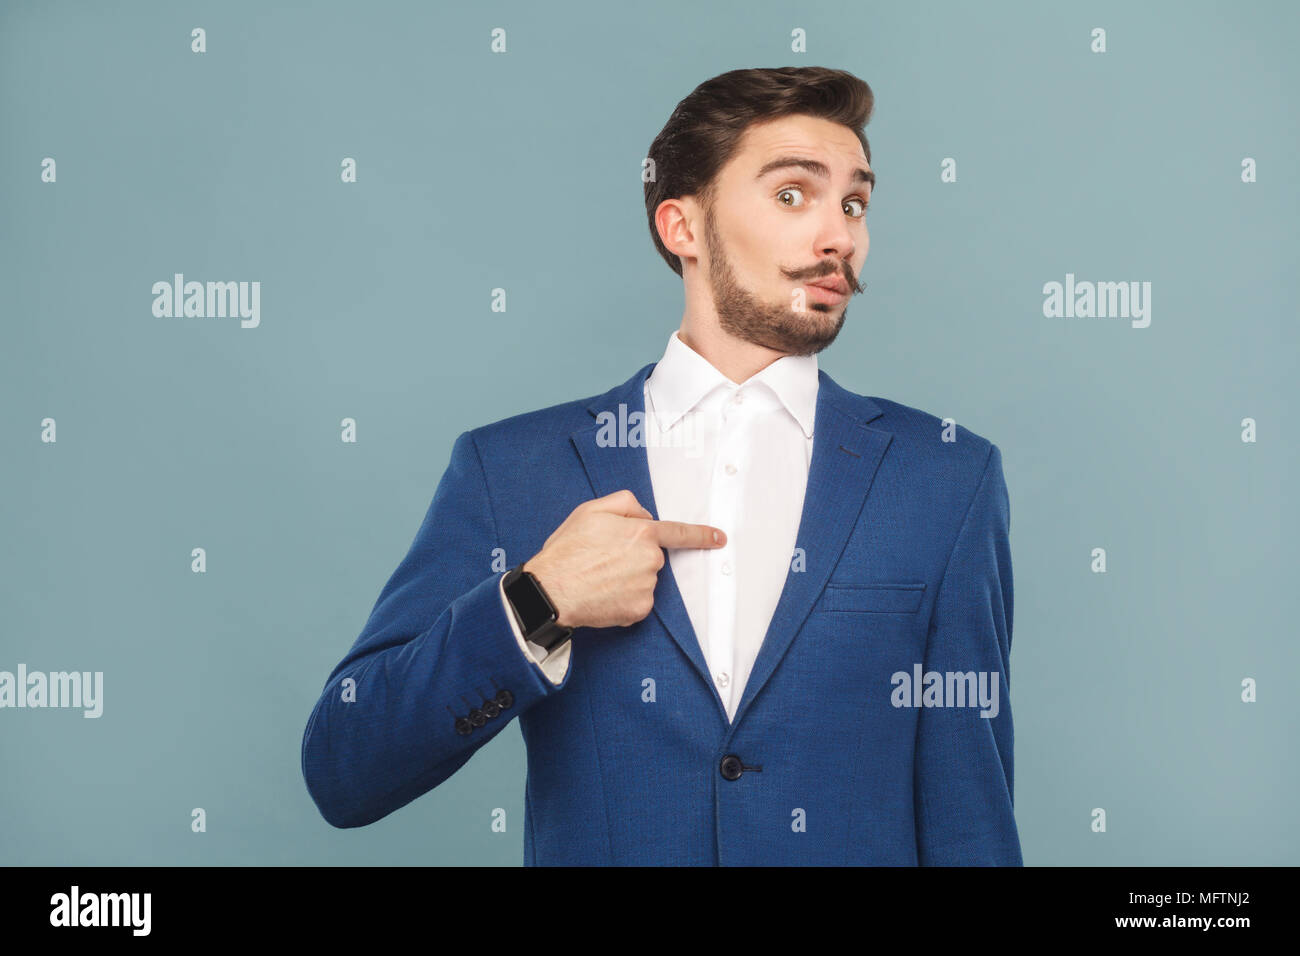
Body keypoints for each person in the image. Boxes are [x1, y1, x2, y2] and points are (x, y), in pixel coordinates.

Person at [301, 66, 1022, 866]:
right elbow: (345, 767)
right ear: (682, 226)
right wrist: (536, 604)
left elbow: (971, 822)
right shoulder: (509, 469)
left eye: (854, 203)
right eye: (793, 194)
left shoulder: (946, 480)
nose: (839, 237)